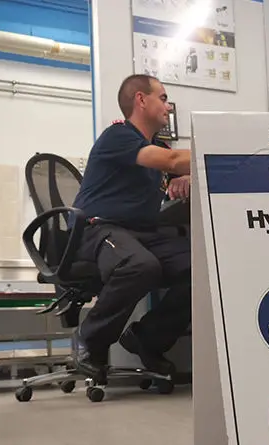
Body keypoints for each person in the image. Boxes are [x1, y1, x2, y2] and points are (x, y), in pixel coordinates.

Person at [72, 74, 192, 382]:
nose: (168, 107)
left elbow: (172, 165)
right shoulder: (119, 136)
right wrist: (194, 159)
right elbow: (171, 160)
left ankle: (148, 339)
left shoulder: (156, 146)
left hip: (141, 233)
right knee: (140, 266)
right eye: (163, 98)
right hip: (98, 230)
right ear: (141, 99)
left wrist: (185, 177)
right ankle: (89, 339)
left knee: (203, 269)